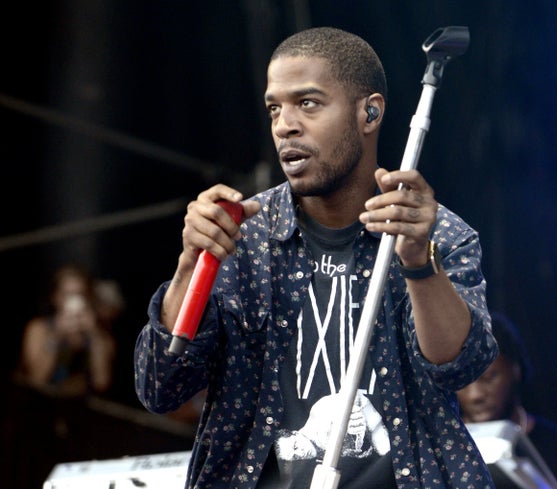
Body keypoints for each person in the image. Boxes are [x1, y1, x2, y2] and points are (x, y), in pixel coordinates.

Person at [134, 26, 498, 489]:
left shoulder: (437, 233)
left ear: (369, 113)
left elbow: (461, 366)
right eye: (274, 108)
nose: (285, 124)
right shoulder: (244, 238)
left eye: (307, 103)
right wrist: (190, 266)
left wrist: (418, 264)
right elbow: (160, 388)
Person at [456, 311, 557, 489]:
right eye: (463, 382)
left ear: (516, 369)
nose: (475, 395)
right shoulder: (441, 452)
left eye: (489, 377)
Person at [16, 263, 116, 397]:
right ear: (55, 297)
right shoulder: (39, 328)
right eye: (67, 294)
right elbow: (36, 380)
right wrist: (57, 336)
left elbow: (102, 382)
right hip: (41, 406)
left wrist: (94, 334)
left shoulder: (100, 333)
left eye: (80, 294)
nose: (74, 301)